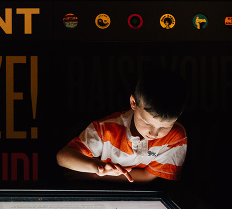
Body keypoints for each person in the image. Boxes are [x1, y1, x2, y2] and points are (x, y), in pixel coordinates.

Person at [56, 64, 188, 182]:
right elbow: (63, 156)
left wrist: (95, 176)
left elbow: (147, 177)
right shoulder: (106, 129)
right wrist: (97, 167)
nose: (154, 133)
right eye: (147, 123)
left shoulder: (175, 137)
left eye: (165, 127)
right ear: (133, 103)